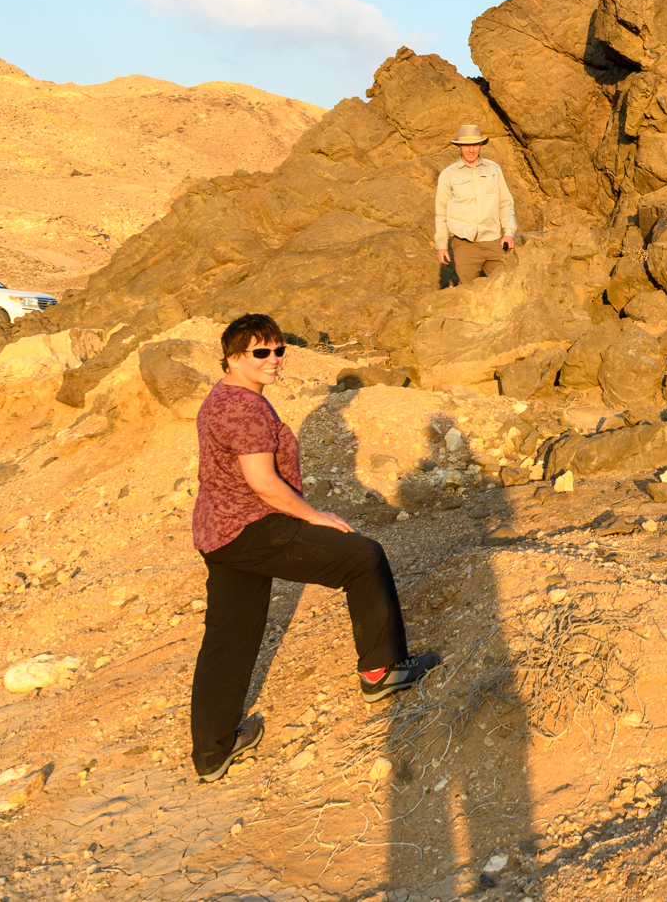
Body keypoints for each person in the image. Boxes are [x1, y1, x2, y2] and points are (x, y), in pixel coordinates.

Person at [188, 313, 439, 784]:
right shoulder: (242, 408)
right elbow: (262, 483)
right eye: (261, 352)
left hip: (218, 533)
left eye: (279, 350)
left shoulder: (223, 396)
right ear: (234, 358)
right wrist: (312, 515)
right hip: (251, 528)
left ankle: (213, 750)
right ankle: (382, 671)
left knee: (229, 638)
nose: (273, 360)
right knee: (362, 557)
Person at [435, 124, 517, 285]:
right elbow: (441, 213)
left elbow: (505, 203)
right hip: (465, 245)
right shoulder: (448, 174)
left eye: (475, 145)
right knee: (468, 293)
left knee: (507, 286)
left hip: (494, 241)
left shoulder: (494, 169)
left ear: (480, 145)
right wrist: (442, 246)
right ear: (459, 147)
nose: (471, 150)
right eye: (466, 145)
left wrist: (509, 232)